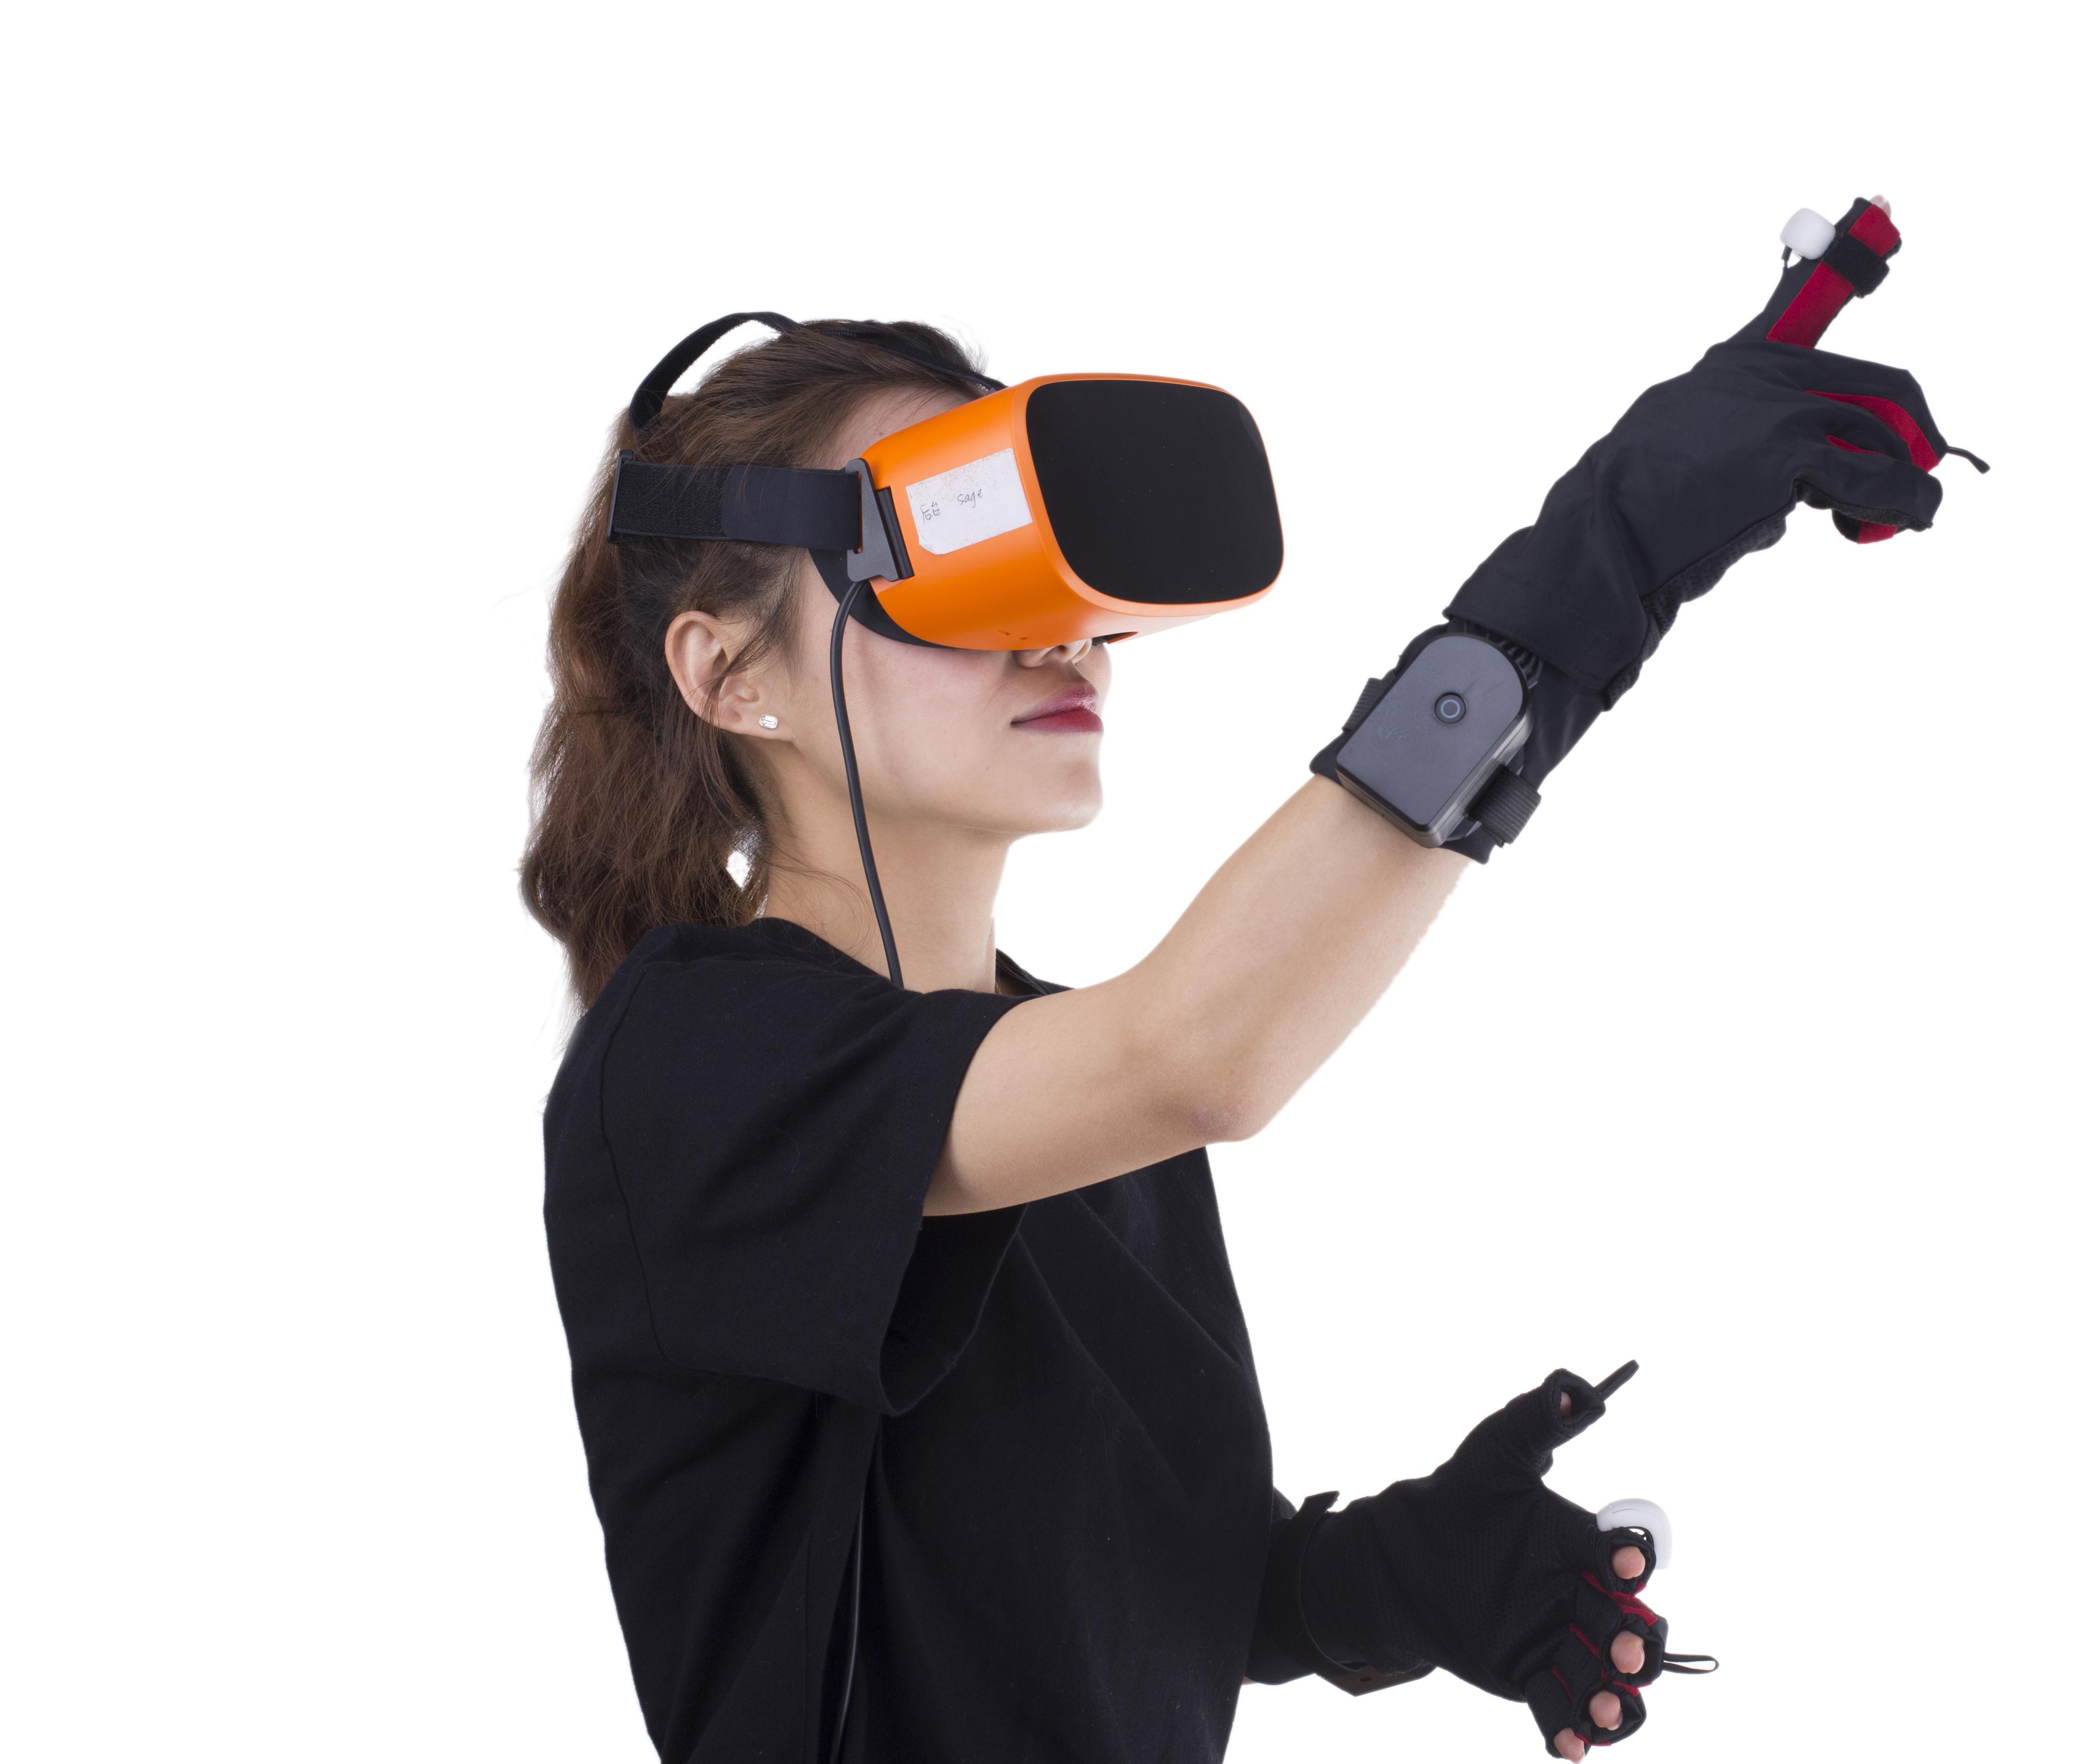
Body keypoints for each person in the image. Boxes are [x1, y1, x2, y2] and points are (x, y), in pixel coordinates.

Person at [524, 304, 1960, 1761]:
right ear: (731, 677)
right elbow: (1199, 1057)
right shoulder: (688, 1064)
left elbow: (1139, 1575)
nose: (1065, 637)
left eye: (1042, 562)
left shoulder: (1088, 1100)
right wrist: (1612, 551)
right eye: (948, 563)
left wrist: (1379, 1580)